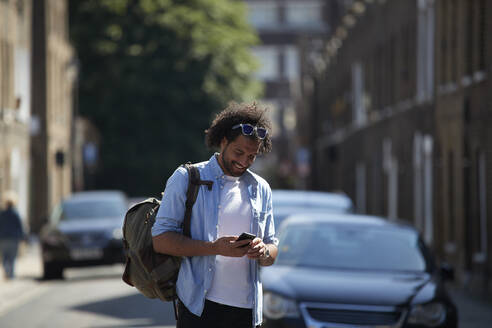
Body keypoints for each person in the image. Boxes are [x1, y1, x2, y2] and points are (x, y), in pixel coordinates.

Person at [152, 102, 278, 328]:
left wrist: (264, 252)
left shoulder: (261, 189)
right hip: (199, 308)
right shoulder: (187, 178)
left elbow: (272, 248)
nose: (244, 161)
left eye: (252, 156)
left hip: (247, 312)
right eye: (239, 152)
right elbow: (160, 240)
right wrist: (215, 248)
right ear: (223, 142)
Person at [0, 191, 25, 280]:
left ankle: (7, 271)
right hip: (13, 239)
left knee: (5, 257)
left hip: (3, 238)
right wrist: (22, 237)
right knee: (12, 257)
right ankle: (10, 274)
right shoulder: (15, 214)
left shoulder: (2, 214)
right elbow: (20, 226)